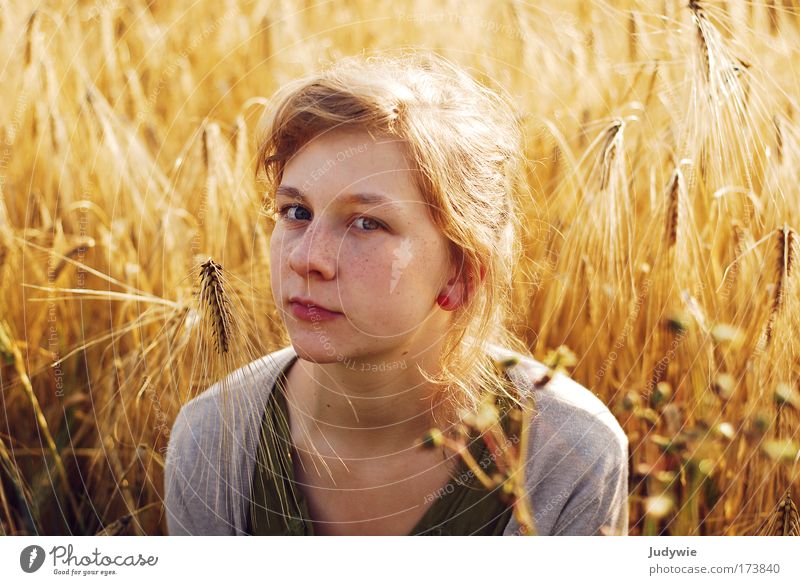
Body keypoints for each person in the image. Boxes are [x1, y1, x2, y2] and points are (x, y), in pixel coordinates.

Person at [164, 50, 629, 536]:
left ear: (461, 273)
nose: (307, 259)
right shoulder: (212, 441)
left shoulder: (568, 457)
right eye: (296, 211)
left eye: (367, 223)